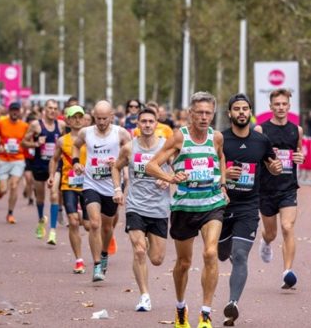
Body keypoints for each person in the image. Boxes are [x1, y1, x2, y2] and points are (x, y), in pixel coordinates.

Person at [145, 91, 228, 328]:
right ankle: (181, 308)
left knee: (210, 253)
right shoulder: (178, 138)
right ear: (190, 113)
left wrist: (222, 183)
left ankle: (205, 313)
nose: (203, 117)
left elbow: (221, 159)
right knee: (183, 262)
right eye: (199, 112)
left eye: (208, 113)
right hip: (184, 207)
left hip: (212, 205)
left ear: (213, 114)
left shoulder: (217, 137)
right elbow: (151, 166)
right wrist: (170, 177)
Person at [219, 93, 282, 326]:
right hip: (221, 205)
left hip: (248, 205)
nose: (242, 112)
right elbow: (210, 168)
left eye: (245, 108)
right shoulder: (220, 139)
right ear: (230, 113)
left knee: (240, 254)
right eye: (237, 109)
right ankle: (224, 252)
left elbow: (272, 166)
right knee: (222, 253)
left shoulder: (261, 141)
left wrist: (275, 168)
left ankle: (232, 304)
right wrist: (224, 174)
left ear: (250, 111)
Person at [112, 108, 171, 312]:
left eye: (150, 121)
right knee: (139, 251)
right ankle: (144, 295)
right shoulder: (129, 148)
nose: (147, 124)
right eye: (143, 121)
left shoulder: (165, 146)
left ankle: (145, 243)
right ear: (137, 124)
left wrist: (168, 180)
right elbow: (116, 167)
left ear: (156, 124)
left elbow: (179, 168)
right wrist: (118, 189)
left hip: (159, 208)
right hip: (136, 206)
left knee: (156, 259)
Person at [72, 100, 132, 282]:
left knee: (107, 227)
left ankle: (104, 253)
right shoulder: (86, 132)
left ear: (112, 116)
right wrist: (76, 162)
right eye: (98, 118)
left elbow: (131, 152)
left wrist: (121, 165)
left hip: (112, 185)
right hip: (91, 183)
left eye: (105, 118)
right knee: (95, 224)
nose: (101, 122)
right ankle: (97, 264)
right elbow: (76, 145)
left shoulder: (120, 133)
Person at [254, 88, 304, 290]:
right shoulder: (260, 130)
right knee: (271, 234)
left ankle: (287, 272)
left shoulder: (296, 130)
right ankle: (265, 242)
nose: (281, 107)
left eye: (284, 104)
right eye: (277, 104)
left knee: (287, 227)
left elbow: (298, 154)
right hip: (266, 189)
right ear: (271, 107)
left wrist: (299, 158)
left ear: (289, 106)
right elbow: (254, 157)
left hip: (288, 187)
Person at [48, 105, 89, 272]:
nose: (78, 119)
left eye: (80, 116)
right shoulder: (62, 141)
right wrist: (52, 176)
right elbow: (54, 159)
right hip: (69, 184)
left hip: (89, 185)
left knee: (88, 225)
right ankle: (79, 260)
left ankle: (101, 244)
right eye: (74, 116)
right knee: (72, 221)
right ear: (67, 120)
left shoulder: (91, 138)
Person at [22, 99, 66, 243]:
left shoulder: (61, 125)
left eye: (55, 108)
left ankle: (52, 231)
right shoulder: (36, 125)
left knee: (54, 194)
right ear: (44, 110)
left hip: (55, 166)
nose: (53, 111)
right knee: (40, 198)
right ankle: (41, 220)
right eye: (50, 108)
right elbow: (23, 142)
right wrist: (35, 143)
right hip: (39, 165)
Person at [0, 102, 29, 224]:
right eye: (12, 110)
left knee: (14, 185)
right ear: (9, 111)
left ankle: (10, 213)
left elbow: (28, 141)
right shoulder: (2, 123)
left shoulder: (24, 126)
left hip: (18, 159)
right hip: (3, 159)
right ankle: (0, 192)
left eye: (16, 110)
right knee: (3, 189)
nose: (14, 112)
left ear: (19, 112)